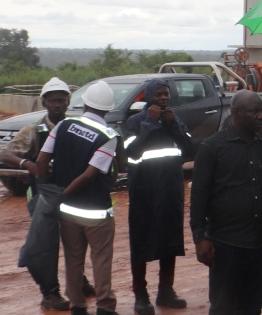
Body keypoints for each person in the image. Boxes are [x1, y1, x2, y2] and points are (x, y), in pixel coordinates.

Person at [190, 90, 262, 315]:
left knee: (253, 305)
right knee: (223, 307)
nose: (261, 116)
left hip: (261, 245)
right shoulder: (212, 148)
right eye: (254, 111)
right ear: (235, 112)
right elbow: (199, 195)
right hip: (225, 245)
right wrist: (200, 237)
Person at [35, 81, 122, 315]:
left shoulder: (63, 125)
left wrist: (50, 195)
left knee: (73, 260)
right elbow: (89, 175)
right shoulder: (108, 136)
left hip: (67, 211)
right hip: (96, 213)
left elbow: (42, 161)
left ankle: (78, 306)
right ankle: (104, 307)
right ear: (108, 109)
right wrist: (61, 195)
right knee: (101, 260)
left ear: (84, 104)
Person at [2, 77, 85, 311]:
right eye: (52, 100)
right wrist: (27, 165)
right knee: (45, 246)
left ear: (68, 102)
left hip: (71, 195)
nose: (57, 104)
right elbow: (6, 154)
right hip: (42, 197)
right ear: (44, 103)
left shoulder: (76, 127)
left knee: (76, 241)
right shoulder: (33, 131)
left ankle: (80, 283)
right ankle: (50, 293)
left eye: (61, 100)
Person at [123, 79, 196, 314]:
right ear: (149, 97)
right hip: (145, 193)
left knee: (170, 241)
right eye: (159, 95)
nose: (164, 98)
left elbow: (190, 150)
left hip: (171, 191)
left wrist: (173, 125)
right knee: (141, 242)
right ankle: (140, 294)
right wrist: (150, 122)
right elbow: (131, 152)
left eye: (166, 95)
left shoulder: (174, 120)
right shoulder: (135, 122)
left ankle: (166, 291)